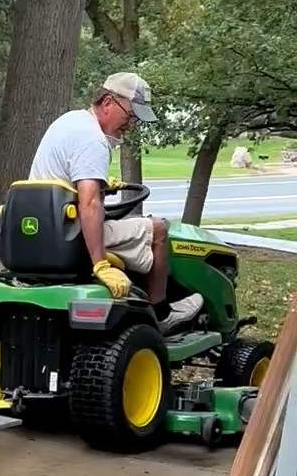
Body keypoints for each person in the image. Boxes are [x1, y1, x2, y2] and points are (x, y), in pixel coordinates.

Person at [29, 72, 203, 335]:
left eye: (135, 119)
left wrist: (101, 184)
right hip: (68, 236)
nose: (130, 124)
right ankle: (161, 314)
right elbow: (89, 204)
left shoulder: (69, 121)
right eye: (130, 115)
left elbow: (66, 182)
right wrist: (100, 264)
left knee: (123, 223)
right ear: (108, 102)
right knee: (158, 229)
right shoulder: (93, 140)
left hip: (46, 228)